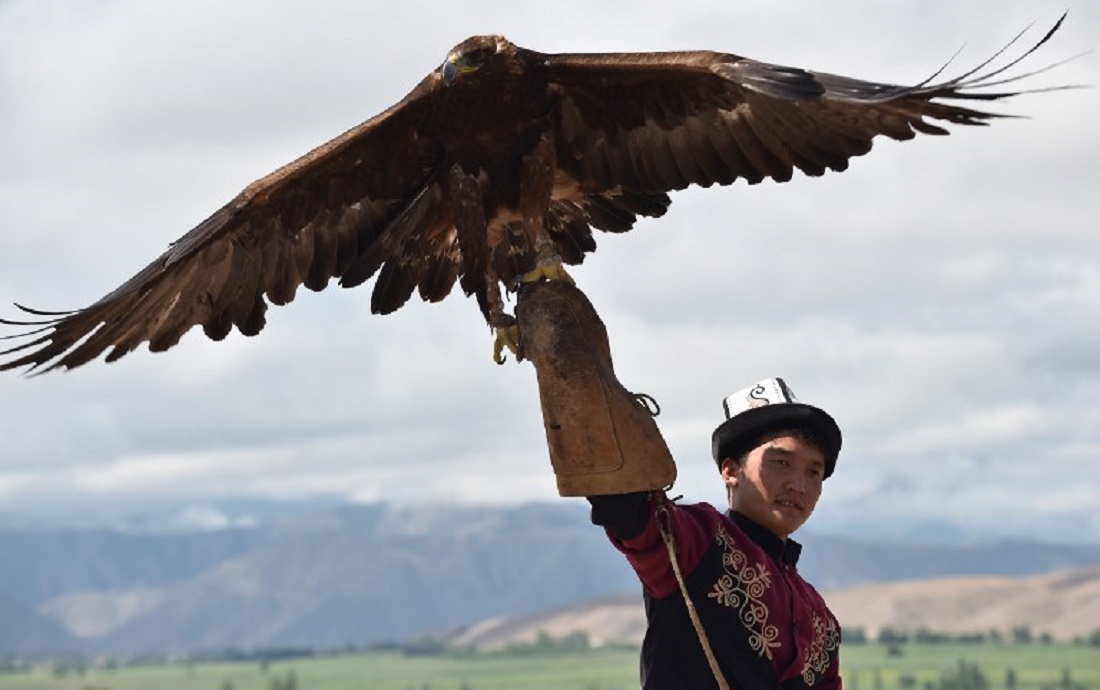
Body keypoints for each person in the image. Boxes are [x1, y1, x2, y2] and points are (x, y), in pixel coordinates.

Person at [517, 281, 844, 690]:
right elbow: (626, 508)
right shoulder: (700, 541)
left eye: (814, 471)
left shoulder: (821, 620)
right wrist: (574, 365)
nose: (798, 482)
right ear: (731, 470)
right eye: (781, 462)